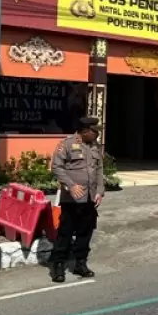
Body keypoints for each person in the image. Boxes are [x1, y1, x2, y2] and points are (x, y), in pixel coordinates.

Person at [50, 116, 105, 283]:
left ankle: (80, 263)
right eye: (95, 132)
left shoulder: (94, 146)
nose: (97, 135)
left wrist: (100, 191)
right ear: (85, 131)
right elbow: (56, 167)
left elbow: (100, 169)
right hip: (71, 198)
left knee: (85, 232)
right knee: (65, 232)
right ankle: (58, 265)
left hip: (89, 197)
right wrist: (71, 185)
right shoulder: (66, 144)